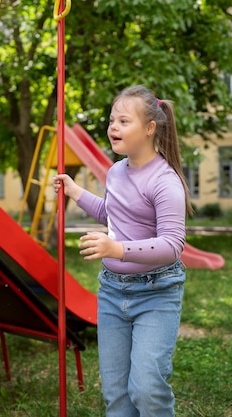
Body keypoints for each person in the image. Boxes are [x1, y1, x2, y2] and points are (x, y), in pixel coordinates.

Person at [53, 84, 193, 417]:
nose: (113, 127)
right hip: (113, 292)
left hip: (157, 293)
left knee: (146, 389)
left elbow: (173, 245)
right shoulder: (116, 172)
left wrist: (116, 247)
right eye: (112, 119)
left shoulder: (164, 181)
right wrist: (76, 193)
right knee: (116, 395)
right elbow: (113, 214)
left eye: (123, 121)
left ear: (149, 128)